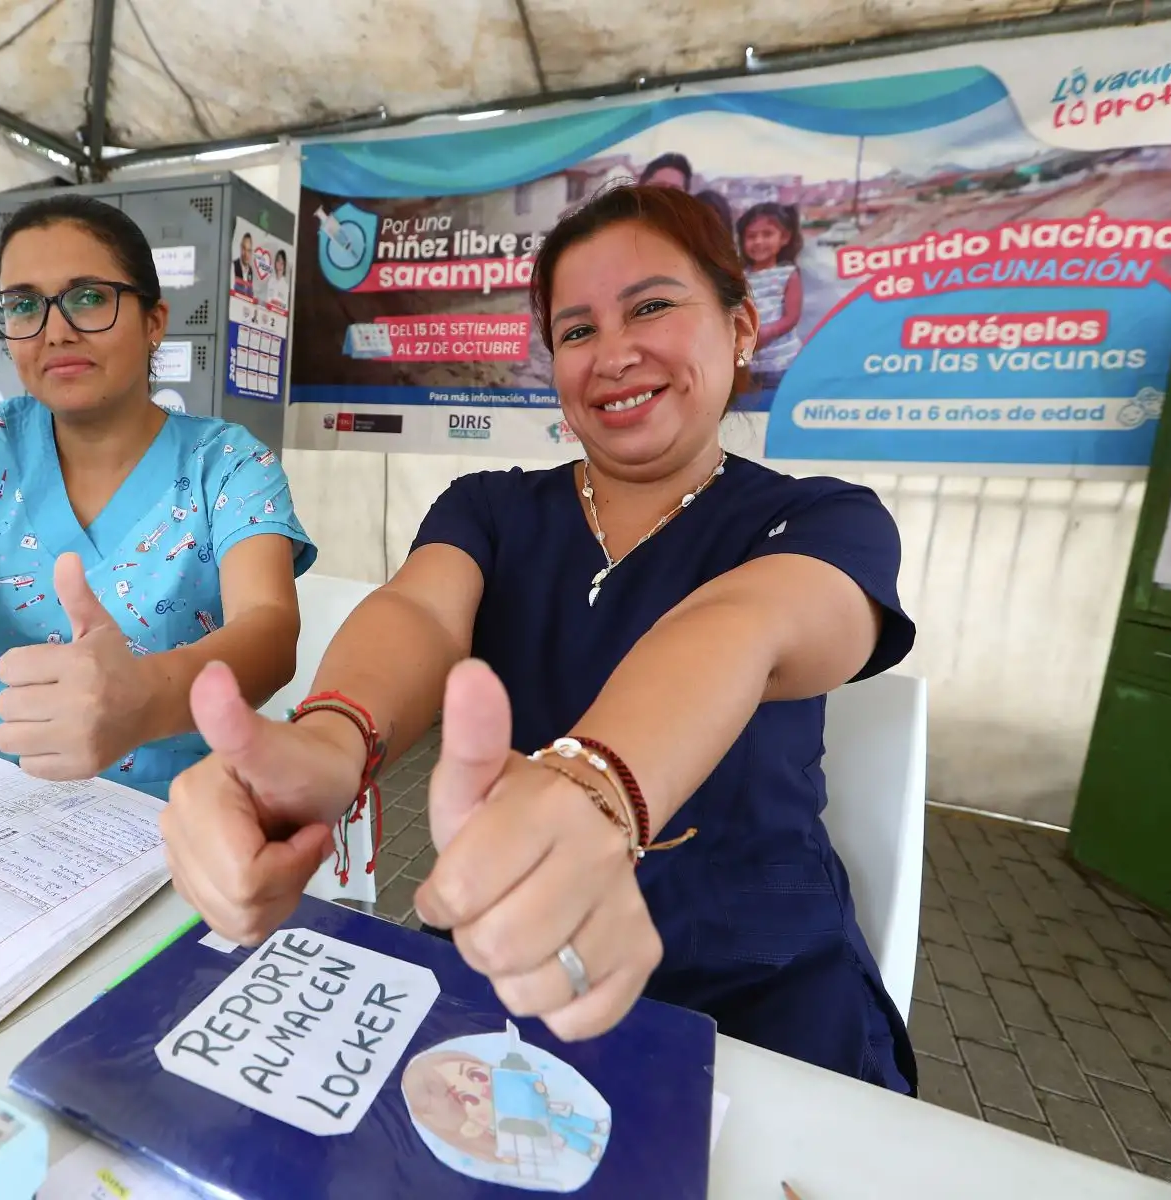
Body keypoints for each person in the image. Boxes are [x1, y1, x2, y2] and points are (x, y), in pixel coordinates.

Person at [158, 183, 918, 1096]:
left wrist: (595, 789)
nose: (616, 352)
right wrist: (326, 745)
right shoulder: (491, 508)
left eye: (652, 307)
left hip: (755, 981)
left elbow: (741, 624)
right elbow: (420, 612)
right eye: (577, 330)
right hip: (505, 940)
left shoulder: (824, 520)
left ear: (741, 329)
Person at [0, 194, 315, 799]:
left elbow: (270, 629)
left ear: (154, 322)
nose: (57, 331)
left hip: (176, 809)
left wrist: (145, 701)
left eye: (89, 297)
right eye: (23, 306)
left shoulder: (228, 464)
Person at [737, 202, 805, 390]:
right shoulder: (739, 276)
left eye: (767, 234)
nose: (758, 241)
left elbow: (791, 317)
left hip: (782, 363)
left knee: (776, 410)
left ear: (784, 238)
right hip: (747, 364)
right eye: (751, 236)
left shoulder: (788, 274)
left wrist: (767, 332)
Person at [232, 231, 256, 301]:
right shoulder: (233, 266)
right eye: (244, 249)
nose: (246, 254)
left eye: (249, 250)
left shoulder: (251, 271)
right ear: (241, 248)